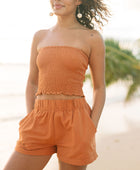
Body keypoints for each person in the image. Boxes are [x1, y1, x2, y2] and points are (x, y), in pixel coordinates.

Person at [3, 0, 111, 169]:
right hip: (39, 119)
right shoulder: (40, 36)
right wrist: (30, 116)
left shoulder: (92, 38)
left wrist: (92, 126)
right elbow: (32, 81)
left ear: (78, 1)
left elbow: (99, 88)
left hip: (76, 122)